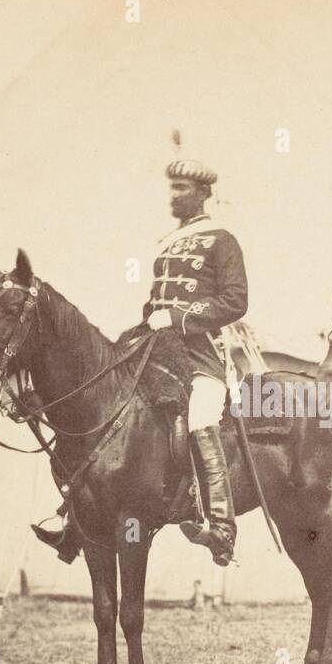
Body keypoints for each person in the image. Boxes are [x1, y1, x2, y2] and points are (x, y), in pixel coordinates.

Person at [142, 159, 248, 566]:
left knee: (202, 417)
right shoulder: (165, 243)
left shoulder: (222, 240)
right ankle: (73, 520)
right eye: (171, 188)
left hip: (201, 353)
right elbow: (155, 305)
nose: (173, 195)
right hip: (156, 352)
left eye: (182, 188)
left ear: (203, 193)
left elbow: (235, 301)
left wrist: (179, 317)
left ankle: (222, 526)